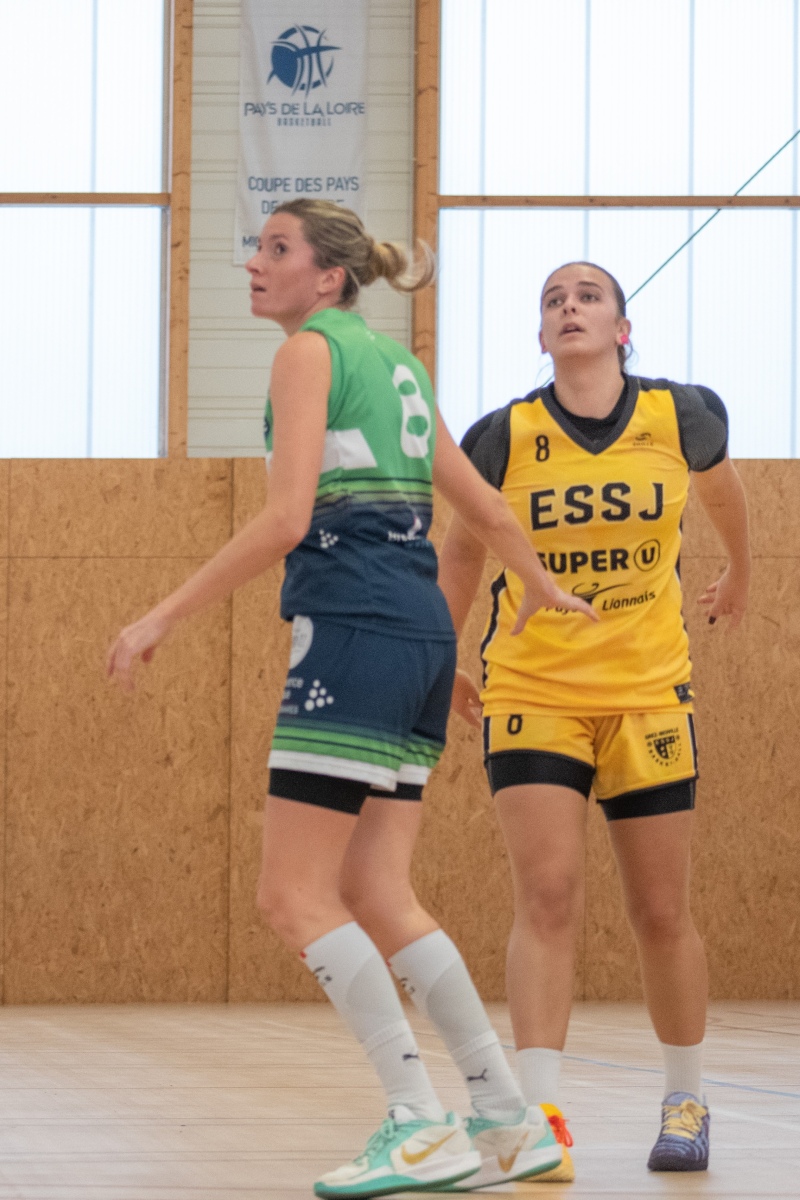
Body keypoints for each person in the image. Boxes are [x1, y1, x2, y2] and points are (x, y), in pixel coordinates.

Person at [107, 203, 598, 1198]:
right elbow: (485, 506)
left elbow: (287, 520)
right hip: (416, 637)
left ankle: (418, 1120)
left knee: (290, 895)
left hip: (357, 628)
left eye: (276, 248)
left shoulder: (308, 355)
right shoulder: (401, 366)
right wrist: (540, 588)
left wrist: (162, 613)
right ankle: (508, 1118)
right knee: (376, 890)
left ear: (327, 277)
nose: (255, 262)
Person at [438, 261, 751, 1180]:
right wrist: (439, 653)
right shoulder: (504, 435)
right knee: (547, 898)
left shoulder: (680, 415)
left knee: (661, 909)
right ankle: (540, 1120)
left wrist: (743, 571)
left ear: (622, 327)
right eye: (552, 300)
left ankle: (685, 1100)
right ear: (541, 338)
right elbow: (462, 552)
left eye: (586, 296)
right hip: (534, 690)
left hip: (649, 692)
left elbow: (725, 494)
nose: (568, 306)